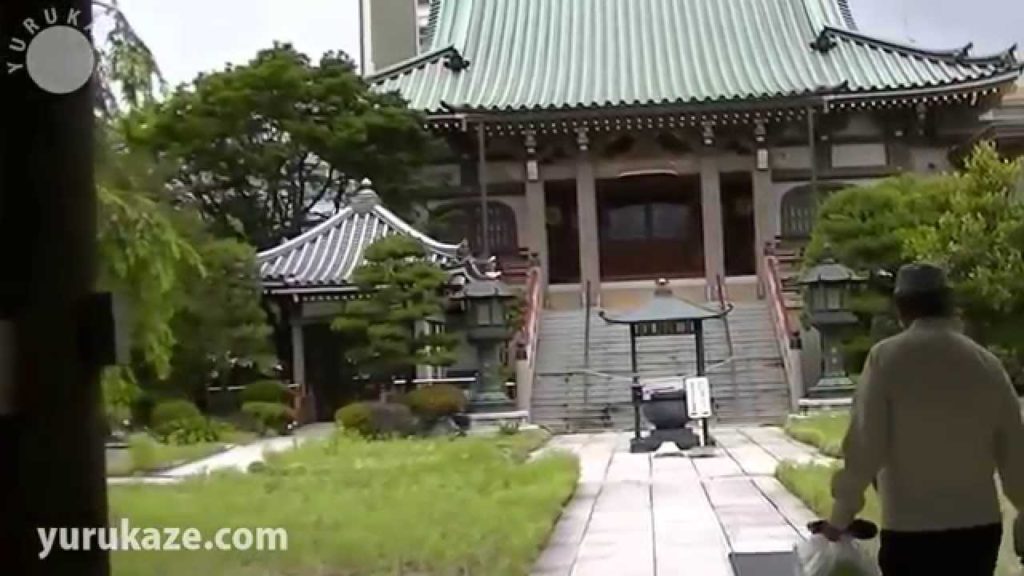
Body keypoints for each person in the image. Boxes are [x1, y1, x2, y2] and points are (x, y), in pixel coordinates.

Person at [819, 262, 1024, 575]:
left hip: (910, 527)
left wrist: (840, 516)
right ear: (948, 305)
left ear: (901, 309)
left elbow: (864, 448)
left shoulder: (886, 360)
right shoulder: (985, 364)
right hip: (977, 528)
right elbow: (1015, 455)